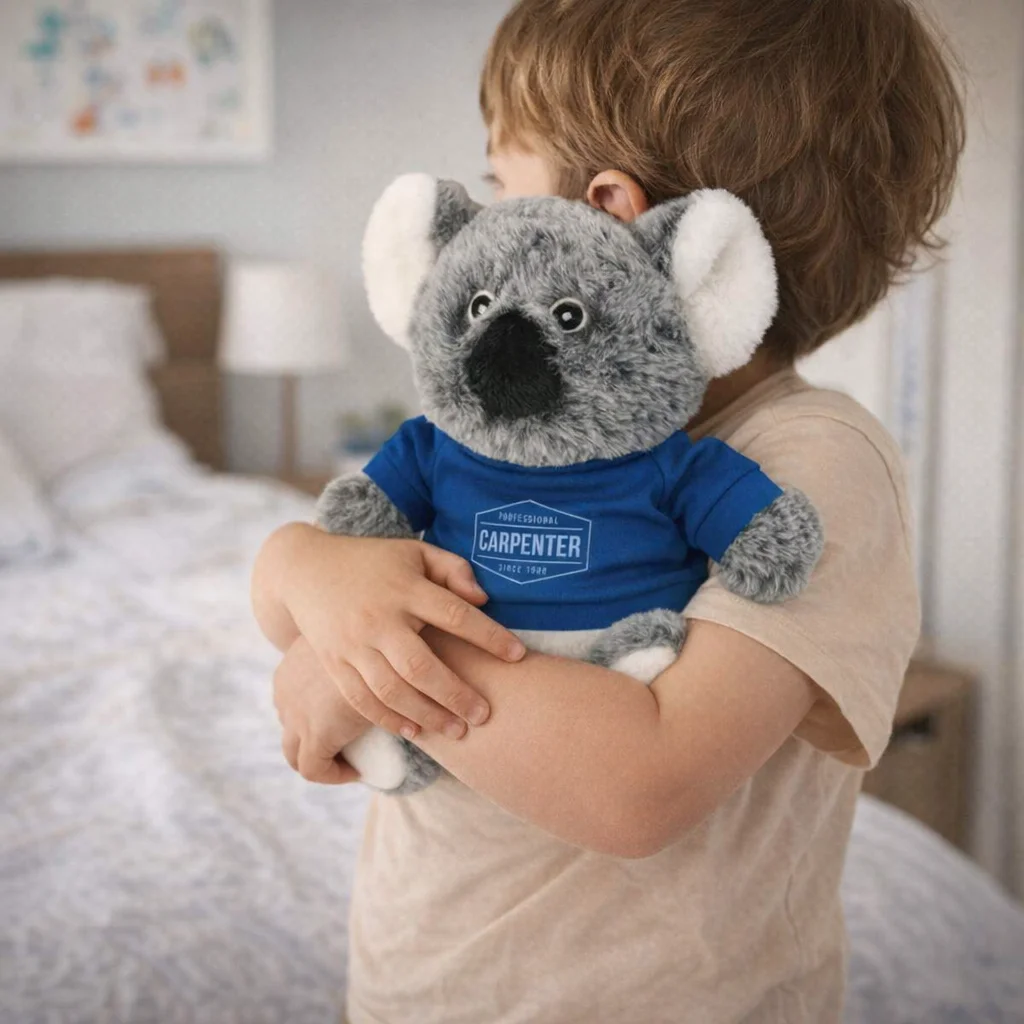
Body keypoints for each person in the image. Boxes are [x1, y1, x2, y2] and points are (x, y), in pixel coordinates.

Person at [251, 1, 965, 1020]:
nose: (485, 212)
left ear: (610, 213)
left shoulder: (810, 461)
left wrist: (367, 661)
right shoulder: (493, 429)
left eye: (502, 182)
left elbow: (640, 784)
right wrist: (302, 568)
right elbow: (297, 590)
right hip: (422, 984)